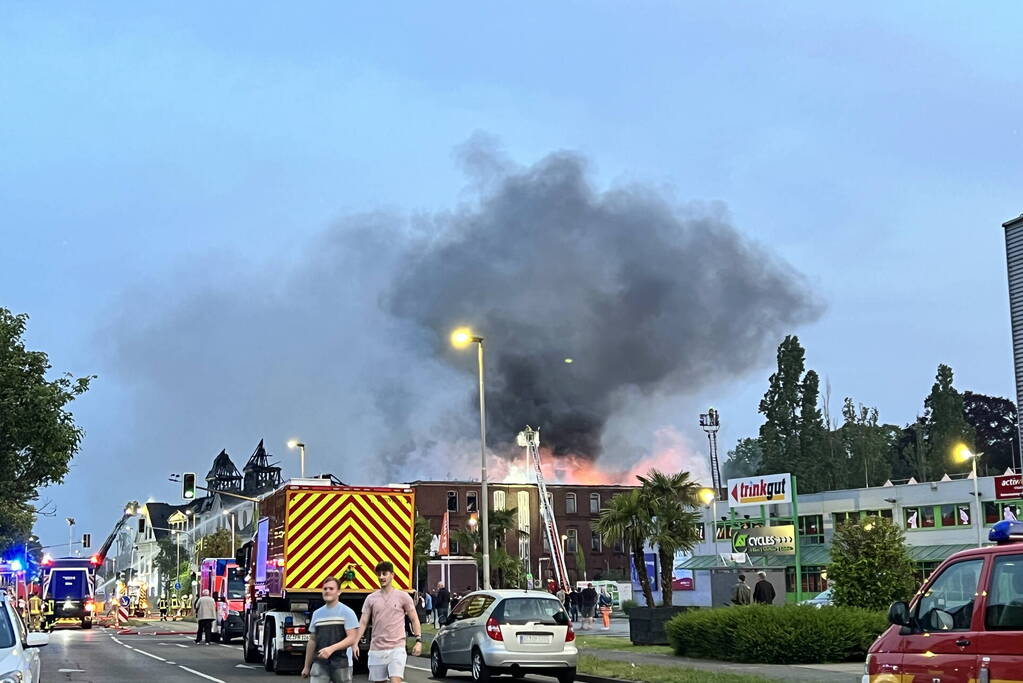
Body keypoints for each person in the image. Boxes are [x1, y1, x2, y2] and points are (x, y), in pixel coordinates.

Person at [355, 561, 422, 683]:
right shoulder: (371, 599)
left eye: (384, 574)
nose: (381, 577)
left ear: (392, 575)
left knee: (395, 680)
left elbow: (414, 619)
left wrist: (418, 641)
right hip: (376, 649)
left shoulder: (403, 597)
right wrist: (355, 642)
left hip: (396, 648)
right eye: (379, 574)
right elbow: (363, 622)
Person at [302, 577, 361, 682]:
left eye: (331, 589)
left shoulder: (347, 612)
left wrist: (331, 649)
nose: (327, 591)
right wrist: (306, 666)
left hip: (340, 664)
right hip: (319, 664)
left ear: (338, 592)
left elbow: (352, 638)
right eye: (325, 589)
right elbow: (312, 641)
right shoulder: (317, 614)